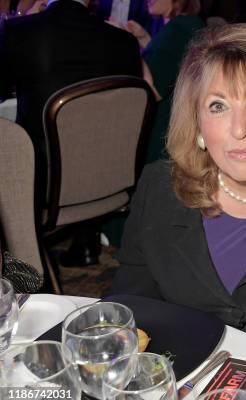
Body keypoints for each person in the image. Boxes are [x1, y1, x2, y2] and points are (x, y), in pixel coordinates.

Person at [112, 24, 246, 328]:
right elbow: (130, 305)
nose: (239, 129)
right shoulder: (160, 188)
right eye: (218, 106)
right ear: (198, 124)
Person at [0, 0, 142, 268]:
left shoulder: (20, 31)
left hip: (42, 184)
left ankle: (25, 277)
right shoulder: (125, 41)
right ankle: (86, 242)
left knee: (10, 145)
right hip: (109, 179)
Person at [116, 0, 204, 163]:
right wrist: (144, 39)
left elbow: (151, 91)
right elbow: (169, 63)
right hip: (180, 135)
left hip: (161, 142)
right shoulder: (188, 23)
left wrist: (126, 42)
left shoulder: (177, 29)